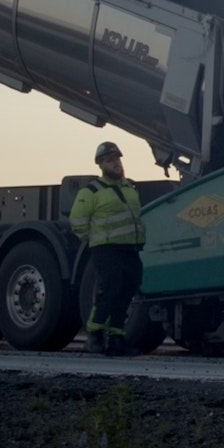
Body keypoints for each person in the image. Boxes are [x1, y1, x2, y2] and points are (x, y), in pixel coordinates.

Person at [69, 141, 147, 357]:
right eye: (110, 160)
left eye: (117, 159)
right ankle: (93, 333)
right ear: (101, 165)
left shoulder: (129, 188)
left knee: (128, 288)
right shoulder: (92, 191)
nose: (116, 163)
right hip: (106, 248)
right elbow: (77, 219)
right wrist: (93, 239)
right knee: (111, 287)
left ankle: (116, 338)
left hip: (130, 247)